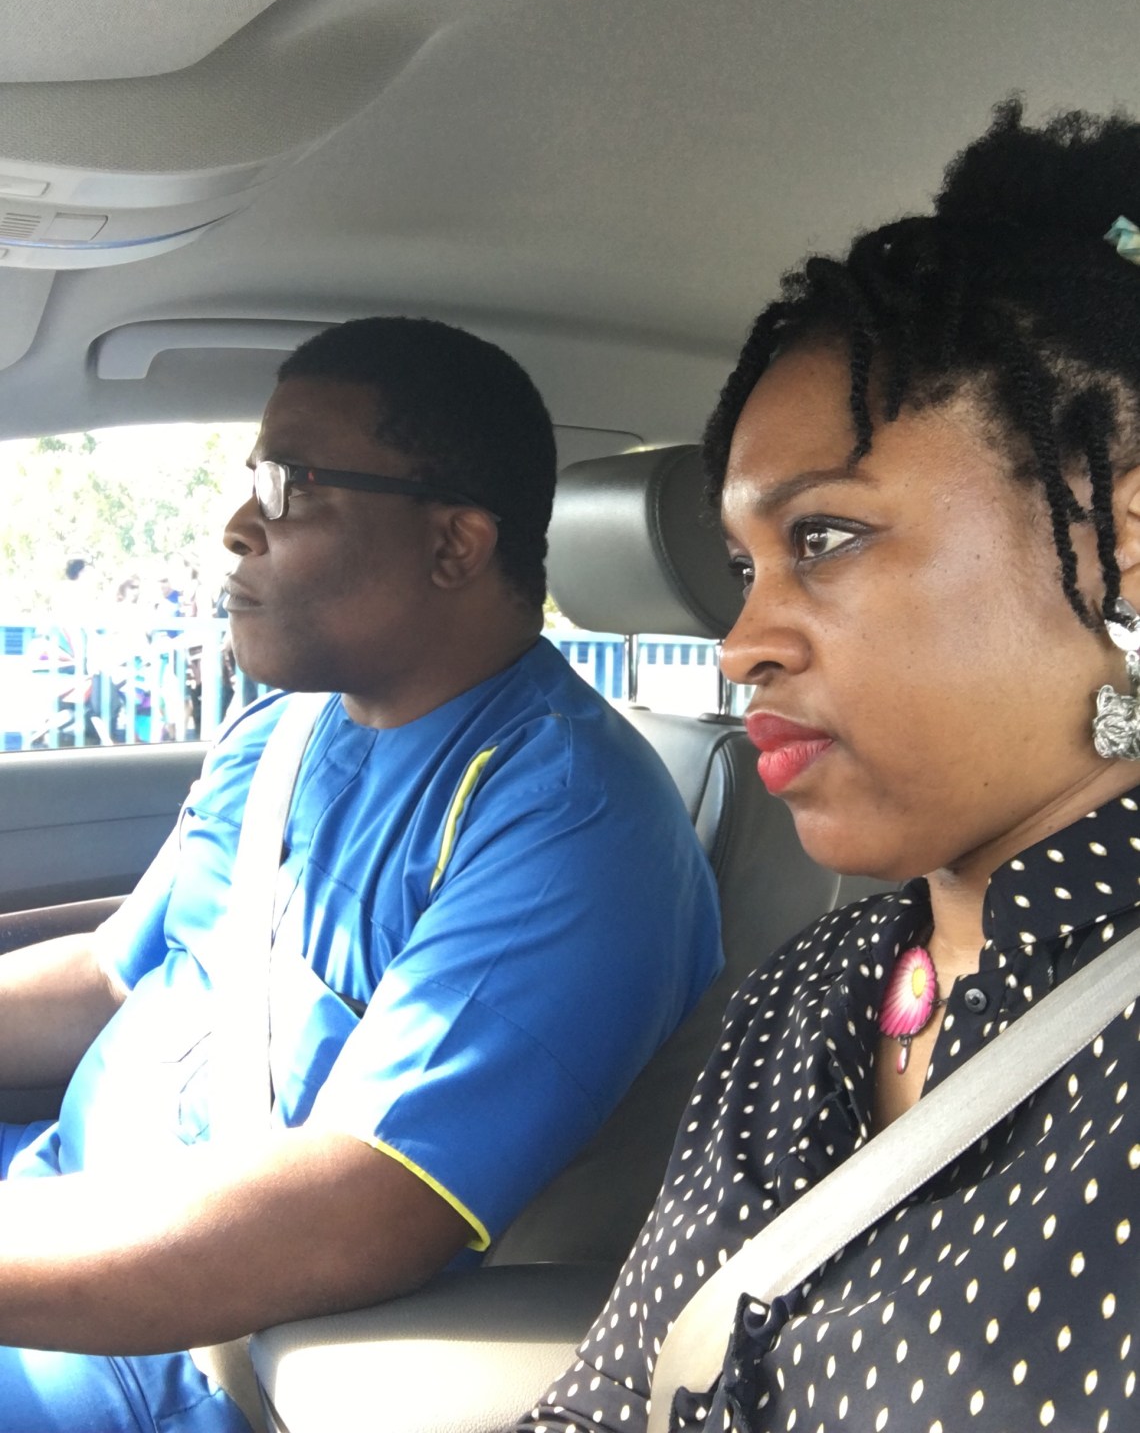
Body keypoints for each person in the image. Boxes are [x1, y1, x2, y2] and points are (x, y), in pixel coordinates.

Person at [522, 99, 1140, 1433]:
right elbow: (613, 1401)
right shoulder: (803, 996)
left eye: (826, 537)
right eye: (743, 566)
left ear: (1121, 539)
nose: (741, 642)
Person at [0, 317, 722, 1432]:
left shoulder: (570, 814)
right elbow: (111, 975)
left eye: (289, 486)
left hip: (175, 1355)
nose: (238, 525)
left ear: (455, 545)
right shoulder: (279, 731)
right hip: (53, 1204)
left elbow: (360, 1204)